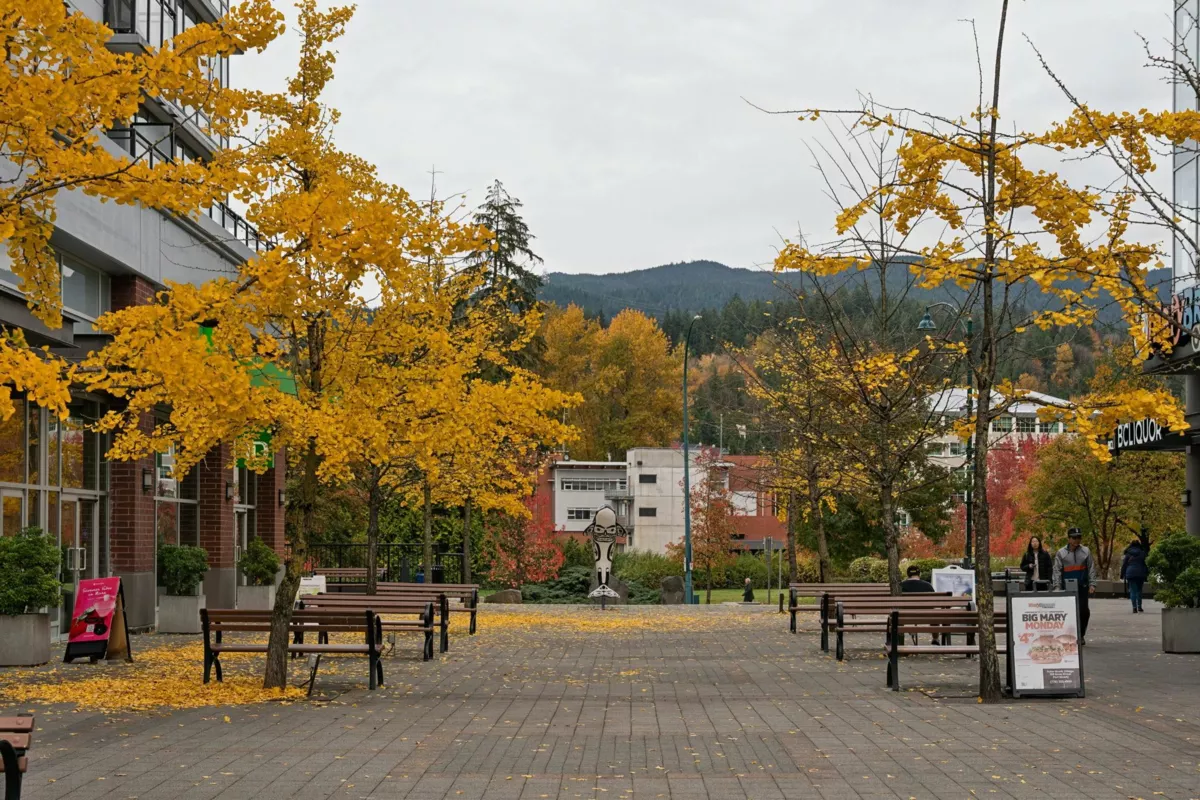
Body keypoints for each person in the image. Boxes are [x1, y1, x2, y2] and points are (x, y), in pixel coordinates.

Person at [1052, 528, 1097, 645]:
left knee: (1084, 611)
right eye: (1074, 537)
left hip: (1082, 586)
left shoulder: (1086, 551)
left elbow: (1091, 568)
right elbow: (1057, 571)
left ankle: (1081, 634)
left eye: (1079, 537)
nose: (1077, 540)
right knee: (1067, 612)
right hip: (1066, 587)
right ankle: (1068, 635)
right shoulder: (1061, 553)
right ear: (1069, 539)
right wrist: (1057, 586)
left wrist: (1092, 584)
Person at [900, 566, 938, 645]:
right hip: (926, 614)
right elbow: (934, 602)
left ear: (908, 574)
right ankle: (935, 638)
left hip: (906, 615)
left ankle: (898, 638)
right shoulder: (928, 585)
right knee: (935, 615)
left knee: (897, 615)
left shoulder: (901, 585)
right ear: (919, 574)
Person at [1120, 537, 1150, 614]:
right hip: (1140, 573)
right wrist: (1147, 573)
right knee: (1139, 590)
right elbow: (1146, 564)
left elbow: (1124, 565)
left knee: (1133, 591)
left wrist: (1122, 574)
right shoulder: (1142, 553)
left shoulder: (1128, 554)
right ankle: (1139, 606)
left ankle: (1134, 608)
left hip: (1130, 573)